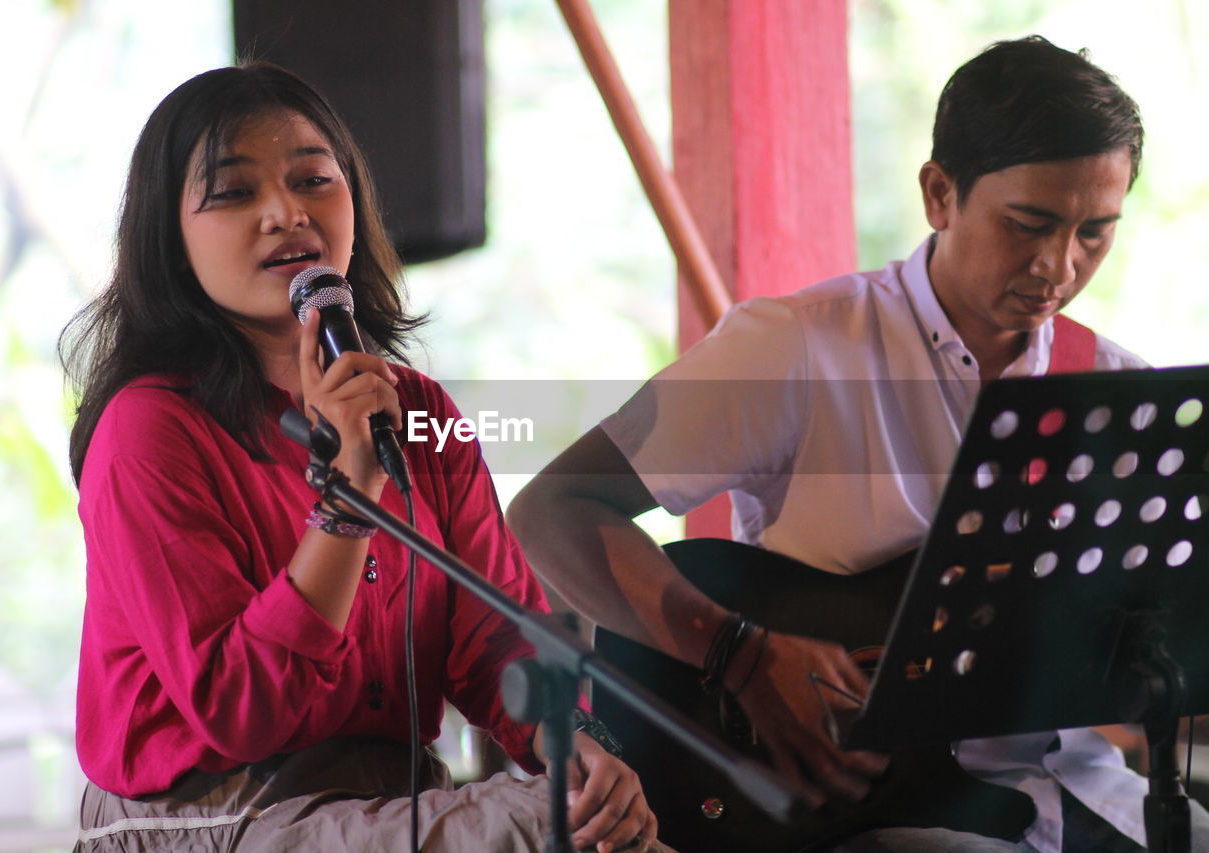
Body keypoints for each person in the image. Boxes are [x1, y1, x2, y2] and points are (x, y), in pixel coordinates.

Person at [508, 35, 1209, 853]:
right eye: (1030, 224)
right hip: (871, 809)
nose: (1059, 265)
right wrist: (736, 652)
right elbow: (553, 508)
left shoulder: (1117, 394)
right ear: (940, 193)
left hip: (1077, 786)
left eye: (1096, 233)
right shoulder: (799, 347)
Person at [59, 61, 666, 853]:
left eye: (314, 179)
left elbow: (496, 632)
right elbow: (240, 707)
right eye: (235, 193)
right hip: (207, 817)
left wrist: (571, 743)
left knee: (598, 809)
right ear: (172, 246)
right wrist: (348, 499)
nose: (286, 213)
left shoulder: (417, 409)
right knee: (533, 826)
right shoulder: (149, 429)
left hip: (387, 797)